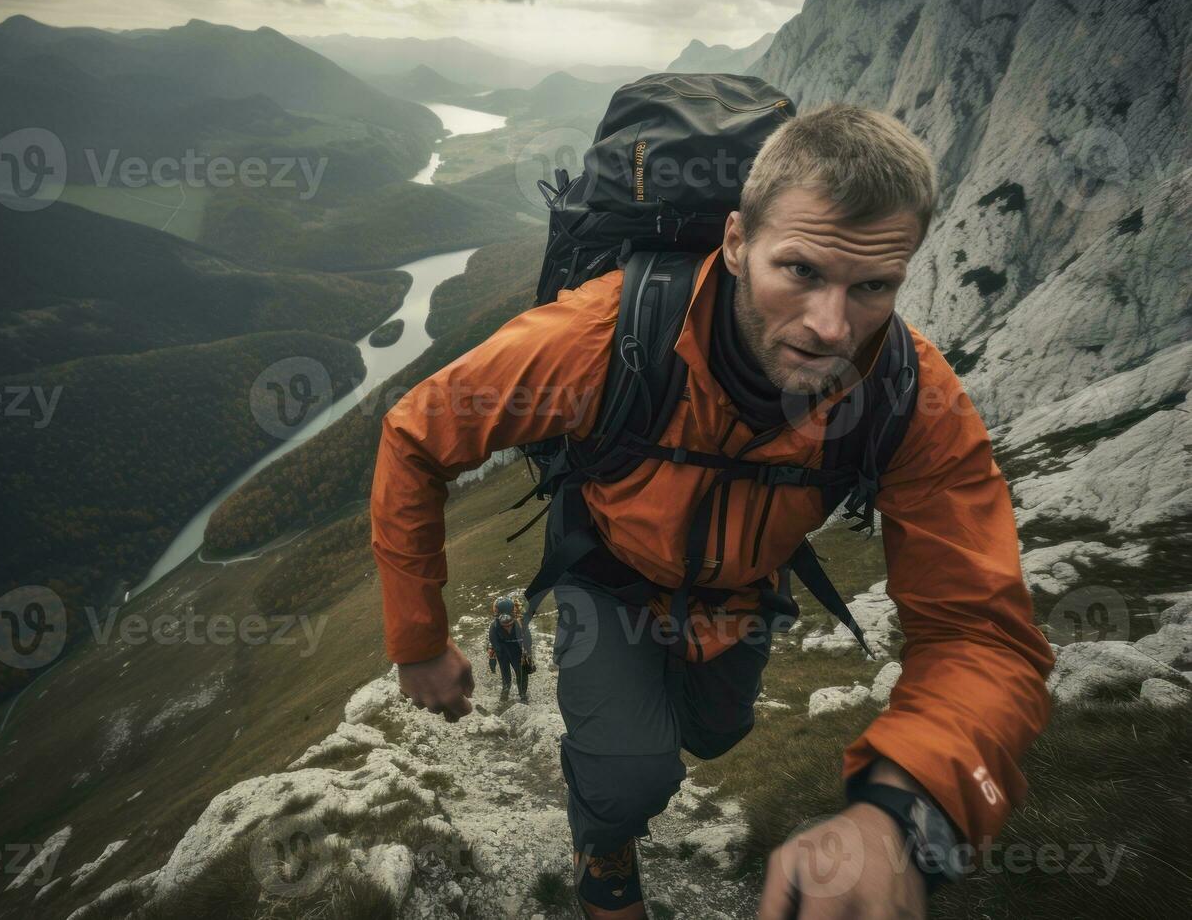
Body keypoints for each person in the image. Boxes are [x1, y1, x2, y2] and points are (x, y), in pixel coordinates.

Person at [370, 102, 1054, 918]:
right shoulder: (601, 336)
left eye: (872, 286)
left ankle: (629, 758)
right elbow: (418, 433)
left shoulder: (908, 394)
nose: (830, 326)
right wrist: (417, 640)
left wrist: (902, 821)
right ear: (734, 243)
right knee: (633, 774)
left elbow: (980, 633)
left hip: (739, 599)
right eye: (798, 270)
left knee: (715, 735)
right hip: (608, 573)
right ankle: (606, 847)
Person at [486, 595, 532, 703]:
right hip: (502, 651)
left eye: (509, 623)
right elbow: (493, 643)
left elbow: (528, 641)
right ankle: (505, 693)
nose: (506, 625)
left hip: (517, 651)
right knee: (506, 676)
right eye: (504, 623)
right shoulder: (494, 626)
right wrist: (492, 658)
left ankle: (523, 695)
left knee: (521, 674)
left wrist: (528, 655)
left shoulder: (520, 624)